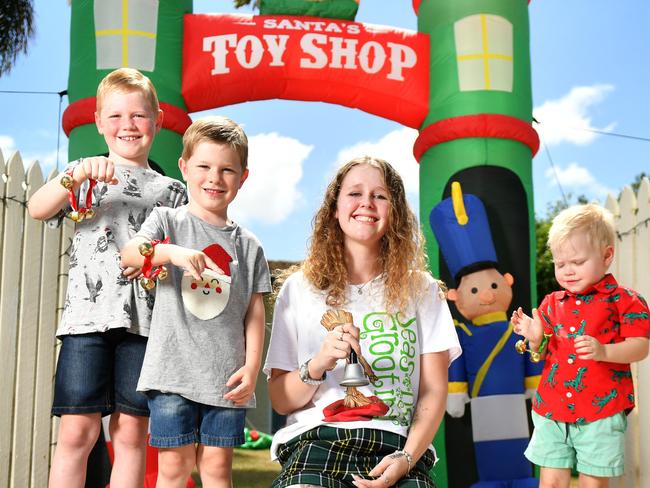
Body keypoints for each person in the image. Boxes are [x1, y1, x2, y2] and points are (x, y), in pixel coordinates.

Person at [28, 67, 187, 488]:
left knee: (131, 433)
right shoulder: (82, 173)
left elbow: (186, 255)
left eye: (138, 115)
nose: (127, 125)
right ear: (99, 122)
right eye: (115, 116)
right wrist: (74, 174)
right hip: (85, 322)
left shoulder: (174, 192)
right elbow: (37, 208)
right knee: (76, 431)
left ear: (157, 120)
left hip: (146, 325)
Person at [264, 156, 462, 488]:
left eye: (380, 195)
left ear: (394, 212)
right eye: (354, 193)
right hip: (317, 442)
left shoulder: (423, 289)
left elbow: (433, 391)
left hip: (397, 448)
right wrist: (319, 363)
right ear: (334, 208)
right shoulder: (299, 289)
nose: (367, 203)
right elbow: (282, 400)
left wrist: (407, 458)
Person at [120, 115, 271, 488]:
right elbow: (129, 254)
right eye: (204, 166)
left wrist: (252, 368)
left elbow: (254, 311)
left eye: (227, 170)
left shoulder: (249, 245)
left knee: (217, 470)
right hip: (171, 373)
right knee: (174, 468)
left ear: (243, 177)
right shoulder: (166, 221)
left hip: (227, 379)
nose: (214, 179)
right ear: (185, 168)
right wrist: (171, 253)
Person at [511, 203, 650, 488]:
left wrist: (605, 351)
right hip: (552, 407)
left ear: (607, 255)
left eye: (578, 262)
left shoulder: (625, 300)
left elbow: (640, 346)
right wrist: (535, 337)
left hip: (601, 409)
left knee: (593, 483)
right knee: (550, 482)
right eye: (561, 264)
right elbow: (540, 354)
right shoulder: (551, 304)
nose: (568, 271)